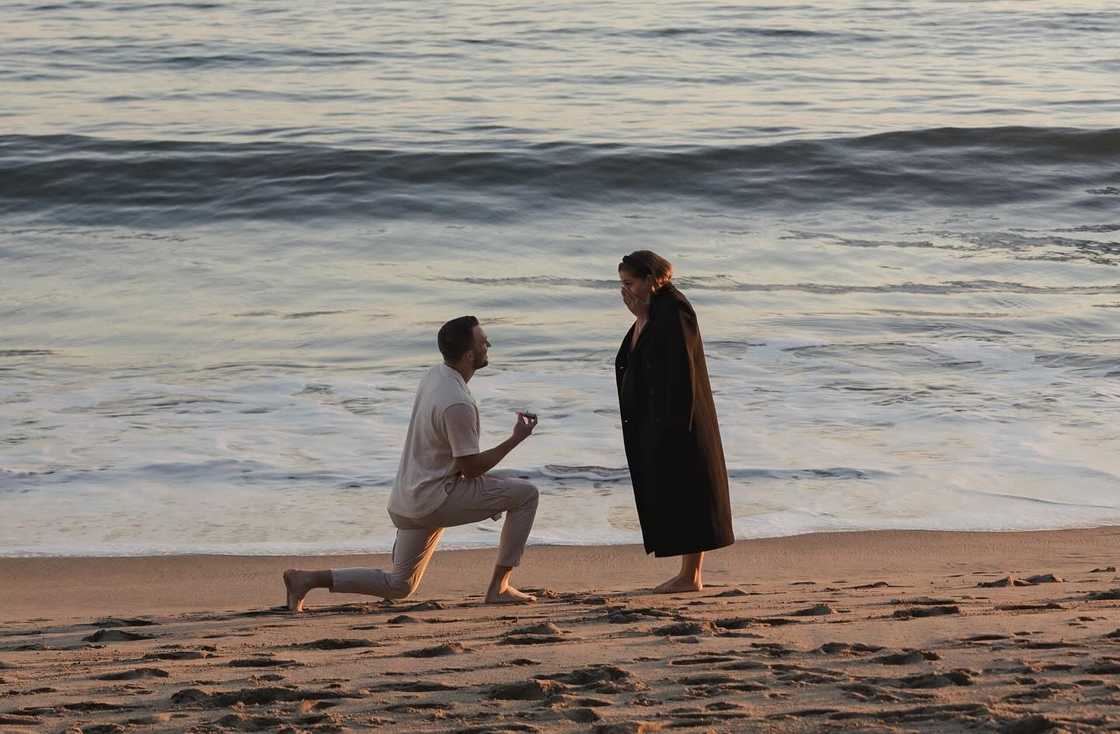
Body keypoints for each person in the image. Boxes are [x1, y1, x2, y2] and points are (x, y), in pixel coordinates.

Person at [283, 316, 540, 611]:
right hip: (435, 500)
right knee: (525, 495)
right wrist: (516, 438)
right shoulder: (458, 403)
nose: (488, 345)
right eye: (483, 342)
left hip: (410, 497)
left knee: (401, 585)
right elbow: (470, 469)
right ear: (469, 355)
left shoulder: (435, 375)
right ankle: (500, 587)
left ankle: (305, 579)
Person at [615, 250, 734, 593]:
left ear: (651, 280)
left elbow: (681, 370)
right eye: (621, 284)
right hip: (659, 419)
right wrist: (640, 317)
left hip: (681, 419)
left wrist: (675, 426)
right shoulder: (652, 311)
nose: (624, 291)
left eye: (629, 283)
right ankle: (688, 574)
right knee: (678, 493)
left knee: (689, 493)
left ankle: (690, 576)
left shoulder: (674, 309)